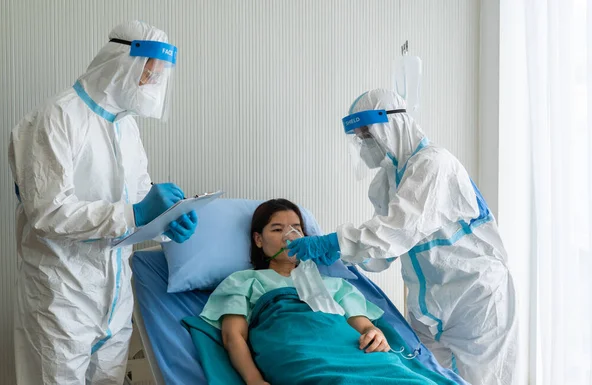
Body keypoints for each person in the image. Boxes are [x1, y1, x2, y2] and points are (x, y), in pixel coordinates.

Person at [8, 21, 197, 384]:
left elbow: (139, 201)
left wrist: (165, 224)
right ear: (120, 61)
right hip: (61, 294)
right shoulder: (59, 116)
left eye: (158, 77)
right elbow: (47, 213)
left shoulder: (126, 127)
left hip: (115, 295)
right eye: (148, 74)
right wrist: (137, 212)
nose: (151, 85)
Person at [287, 89, 517, 385]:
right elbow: (384, 247)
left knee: (483, 380)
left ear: (391, 124)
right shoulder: (386, 180)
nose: (363, 143)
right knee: (430, 378)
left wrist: (334, 242)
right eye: (359, 137)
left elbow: (397, 229)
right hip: (427, 304)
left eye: (367, 134)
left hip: (474, 297)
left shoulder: (433, 163)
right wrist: (343, 255)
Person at [198, 199, 461, 385]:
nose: (289, 236)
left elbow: (365, 327)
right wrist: (255, 381)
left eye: (296, 229)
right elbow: (233, 337)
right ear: (258, 240)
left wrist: (375, 334)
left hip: (354, 351)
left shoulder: (334, 284)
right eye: (277, 229)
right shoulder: (244, 281)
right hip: (298, 351)